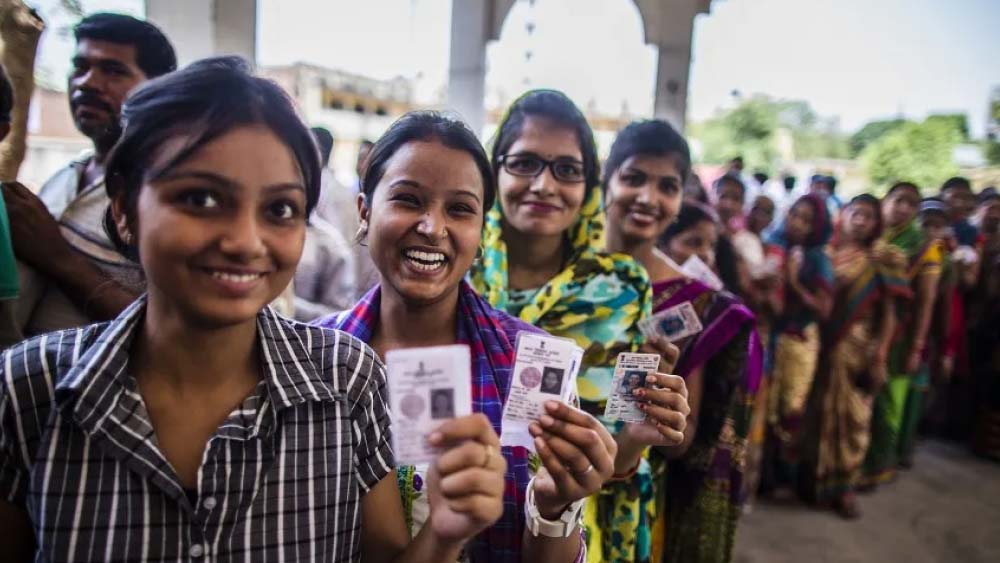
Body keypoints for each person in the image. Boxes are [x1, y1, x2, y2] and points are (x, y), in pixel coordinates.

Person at [0, 56, 499, 563]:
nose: (244, 241)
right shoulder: (31, 389)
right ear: (125, 208)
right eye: (201, 199)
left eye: (279, 209)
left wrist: (443, 534)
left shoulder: (346, 381)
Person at [318, 111, 624, 563]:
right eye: (407, 199)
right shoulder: (312, 358)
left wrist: (556, 504)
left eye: (460, 209)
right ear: (365, 210)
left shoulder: (531, 365)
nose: (432, 227)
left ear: (481, 232)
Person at [469, 91, 690, 563]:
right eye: (525, 163)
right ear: (495, 170)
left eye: (567, 169)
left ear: (590, 185)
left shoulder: (621, 290)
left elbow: (620, 454)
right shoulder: (456, 275)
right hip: (457, 516)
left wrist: (637, 435)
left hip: (579, 528)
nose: (545, 185)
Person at [602, 120, 760, 563]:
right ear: (606, 180)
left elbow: (683, 442)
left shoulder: (695, 302)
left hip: (630, 495)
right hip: (539, 476)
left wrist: (657, 414)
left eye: (666, 186)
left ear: (679, 199)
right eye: (633, 178)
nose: (648, 198)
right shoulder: (559, 270)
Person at [1, 14, 176, 341]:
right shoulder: (66, 176)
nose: (87, 83)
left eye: (112, 71)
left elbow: (172, 335)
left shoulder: (165, 191)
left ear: (159, 90)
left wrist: (58, 258)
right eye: (80, 67)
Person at [799, 194, 909, 519]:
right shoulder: (827, 254)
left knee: (853, 417)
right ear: (843, 215)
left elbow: (891, 313)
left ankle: (845, 485)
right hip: (821, 345)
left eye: (868, 217)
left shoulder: (883, 258)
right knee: (817, 412)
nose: (860, 221)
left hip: (859, 347)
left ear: (877, 224)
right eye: (855, 213)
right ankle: (814, 481)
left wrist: (880, 353)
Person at [861, 182, 944, 487]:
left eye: (911, 204)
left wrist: (916, 347)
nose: (903, 208)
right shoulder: (873, 234)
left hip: (900, 334)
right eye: (899, 200)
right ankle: (857, 459)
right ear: (886, 201)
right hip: (864, 326)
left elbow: (927, 301)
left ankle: (880, 465)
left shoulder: (924, 247)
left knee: (886, 399)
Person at [761, 193, 834, 496]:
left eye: (806, 219)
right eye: (794, 215)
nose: (797, 224)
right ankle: (765, 474)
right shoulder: (774, 244)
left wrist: (794, 284)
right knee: (768, 407)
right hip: (772, 335)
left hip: (800, 339)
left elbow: (824, 309)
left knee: (791, 406)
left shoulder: (818, 259)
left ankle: (784, 474)